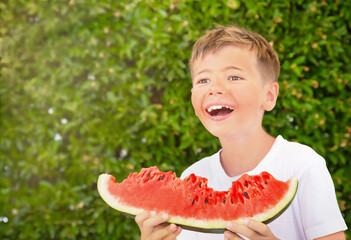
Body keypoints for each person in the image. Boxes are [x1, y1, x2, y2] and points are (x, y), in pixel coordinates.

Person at [135, 25, 348, 240]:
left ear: (269, 96)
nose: (214, 88)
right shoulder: (192, 177)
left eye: (234, 77)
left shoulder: (301, 165)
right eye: (203, 80)